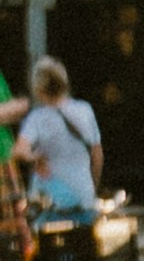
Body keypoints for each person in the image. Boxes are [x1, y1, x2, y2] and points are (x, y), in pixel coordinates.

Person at [12, 60, 103, 248]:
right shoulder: (85, 110)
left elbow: (19, 150)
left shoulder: (37, 118)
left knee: (49, 252)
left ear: (38, 89)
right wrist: (91, 188)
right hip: (83, 194)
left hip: (51, 201)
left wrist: (35, 156)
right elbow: (97, 156)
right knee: (81, 251)